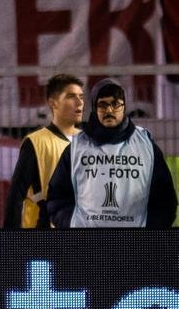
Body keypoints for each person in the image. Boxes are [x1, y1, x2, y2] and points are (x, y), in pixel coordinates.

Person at [47, 78, 177, 227]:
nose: (109, 110)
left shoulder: (146, 145)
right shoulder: (76, 147)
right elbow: (57, 196)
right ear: (95, 108)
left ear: (124, 106)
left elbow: (165, 199)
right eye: (103, 104)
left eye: (115, 104)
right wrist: (72, 224)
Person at [3, 73, 84, 228]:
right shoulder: (36, 142)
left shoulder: (90, 142)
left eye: (81, 96)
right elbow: (16, 195)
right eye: (71, 96)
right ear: (53, 103)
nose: (79, 102)